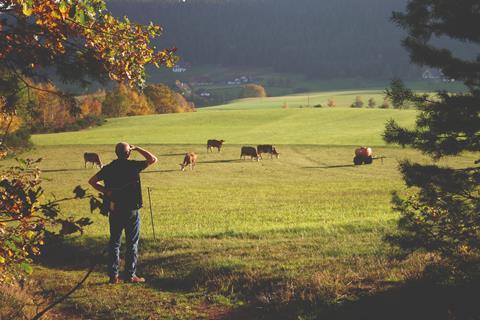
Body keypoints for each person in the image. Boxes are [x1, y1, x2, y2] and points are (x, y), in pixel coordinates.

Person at [88, 142, 157, 284]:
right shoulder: (133, 166)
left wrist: (106, 191)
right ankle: (130, 275)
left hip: (115, 208)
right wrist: (137, 148)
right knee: (132, 243)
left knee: (114, 242)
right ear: (128, 153)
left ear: (116, 153)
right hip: (131, 209)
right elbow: (153, 159)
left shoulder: (109, 168)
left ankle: (113, 276)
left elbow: (92, 181)